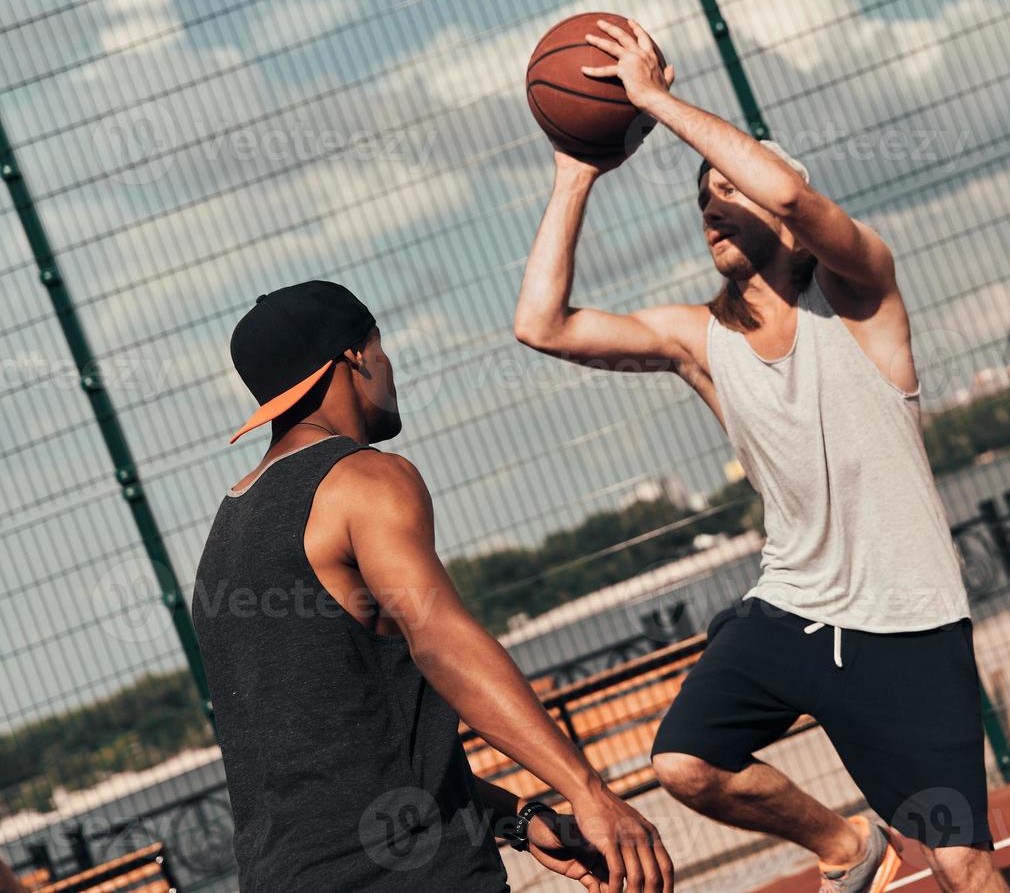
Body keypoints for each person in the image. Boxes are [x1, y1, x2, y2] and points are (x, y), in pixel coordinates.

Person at [515, 19, 1010, 893]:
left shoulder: (863, 298)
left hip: (908, 620)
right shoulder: (698, 339)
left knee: (965, 870)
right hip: (791, 607)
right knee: (685, 765)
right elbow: (541, 324)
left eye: (727, 190)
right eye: (702, 198)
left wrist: (656, 101)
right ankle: (848, 845)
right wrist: (573, 168)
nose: (713, 204)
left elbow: (783, 192)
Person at [193, 281, 674, 893]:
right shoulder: (364, 479)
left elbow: (340, 758)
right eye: (381, 346)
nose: (389, 367)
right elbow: (440, 642)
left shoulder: (226, 534)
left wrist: (518, 819)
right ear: (355, 358)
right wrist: (587, 790)